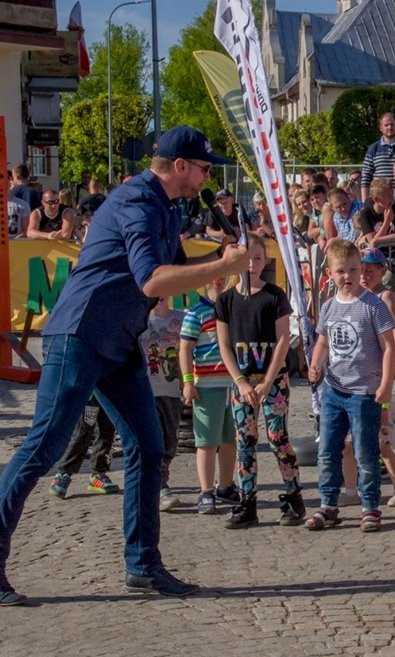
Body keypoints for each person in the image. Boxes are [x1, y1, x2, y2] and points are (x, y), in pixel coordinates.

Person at [0, 125, 247, 605]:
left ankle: (143, 566)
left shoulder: (167, 204)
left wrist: (225, 255)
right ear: (179, 167)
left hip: (117, 339)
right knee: (43, 448)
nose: (206, 177)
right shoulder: (138, 201)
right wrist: (223, 267)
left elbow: (177, 267)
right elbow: (155, 281)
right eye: (202, 168)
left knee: (147, 446)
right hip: (81, 334)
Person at [307, 240, 395, 532]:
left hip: (363, 392)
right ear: (330, 275)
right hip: (333, 389)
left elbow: (389, 348)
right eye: (340, 271)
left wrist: (385, 385)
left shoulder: (373, 306)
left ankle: (370, 505)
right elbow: (322, 340)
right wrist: (315, 364)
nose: (347, 276)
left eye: (353, 270)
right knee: (328, 449)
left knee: (365, 451)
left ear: (362, 270)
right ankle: (328, 503)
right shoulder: (329, 306)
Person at [215, 234, 304, 530]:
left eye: (257, 258)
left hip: (272, 380)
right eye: (246, 258)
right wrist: (240, 381)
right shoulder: (226, 300)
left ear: (264, 261)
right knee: (245, 442)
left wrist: (267, 381)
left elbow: (282, 341)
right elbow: (224, 344)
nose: (251, 264)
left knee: (278, 438)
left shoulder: (274, 296)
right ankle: (247, 501)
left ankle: (293, 496)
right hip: (243, 382)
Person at [178, 276, 238, 515]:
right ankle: (205, 490)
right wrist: (187, 381)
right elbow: (185, 348)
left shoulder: (233, 308)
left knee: (230, 440)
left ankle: (225, 485)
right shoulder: (197, 312)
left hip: (233, 385)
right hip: (207, 386)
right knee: (206, 442)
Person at [359, 248, 395, 507]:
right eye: (362, 269)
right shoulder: (354, 296)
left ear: (382, 271)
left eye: (371, 270)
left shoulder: (385, 296)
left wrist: (394, 358)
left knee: (383, 438)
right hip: (359, 377)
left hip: (380, 373)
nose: (365, 275)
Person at [140, 297, 185, 507]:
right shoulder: (140, 321)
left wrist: (189, 380)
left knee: (170, 440)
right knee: (153, 439)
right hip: (146, 391)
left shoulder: (181, 319)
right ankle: (159, 486)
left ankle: (159, 477)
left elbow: (189, 352)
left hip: (173, 390)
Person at [48, 397, 120, 498]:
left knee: (108, 430)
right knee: (83, 430)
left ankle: (98, 474)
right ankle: (63, 474)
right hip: (89, 389)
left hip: (111, 387)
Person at [361, 112, 395, 201]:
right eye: (386, 125)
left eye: (392, 124)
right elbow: (366, 176)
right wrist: (365, 201)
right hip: (379, 197)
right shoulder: (373, 149)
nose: (389, 127)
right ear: (381, 128)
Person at [358, 178, 395, 247]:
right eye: (389, 196)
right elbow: (372, 241)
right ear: (376, 199)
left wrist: (377, 240)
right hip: (377, 255)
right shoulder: (366, 214)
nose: (392, 198)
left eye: (392, 195)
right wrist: (387, 221)